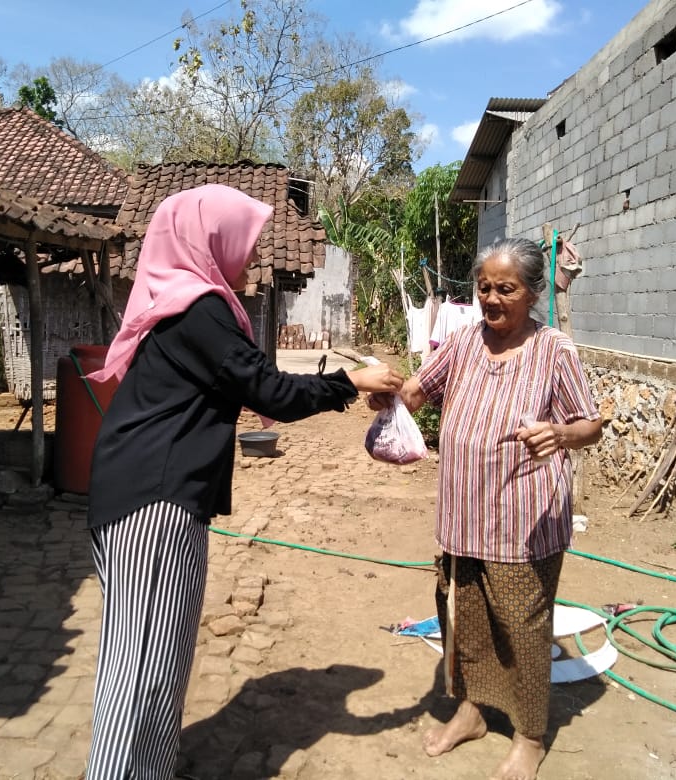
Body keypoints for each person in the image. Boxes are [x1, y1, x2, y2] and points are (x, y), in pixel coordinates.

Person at [82, 183, 403, 780]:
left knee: (160, 654)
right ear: (210, 239)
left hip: (147, 491)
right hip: (153, 501)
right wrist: (351, 383)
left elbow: (254, 383)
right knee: (140, 664)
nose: (253, 257)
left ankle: (150, 768)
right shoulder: (199, 309)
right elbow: (269, 389)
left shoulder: (184, 303)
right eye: (246, 242)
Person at [372, 237, 601, 780]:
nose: (492, 299)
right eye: (484, 288)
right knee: (465, 616)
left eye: (506, 288)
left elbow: (590, 424)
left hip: (524, 519)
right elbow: (419, 391)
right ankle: (472, 710)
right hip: (463, 514)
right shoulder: (464, 341)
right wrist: (387, 395)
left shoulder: (554, 350)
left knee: (522, 624)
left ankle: (529, 735)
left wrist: (559, 433)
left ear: (532, 292)